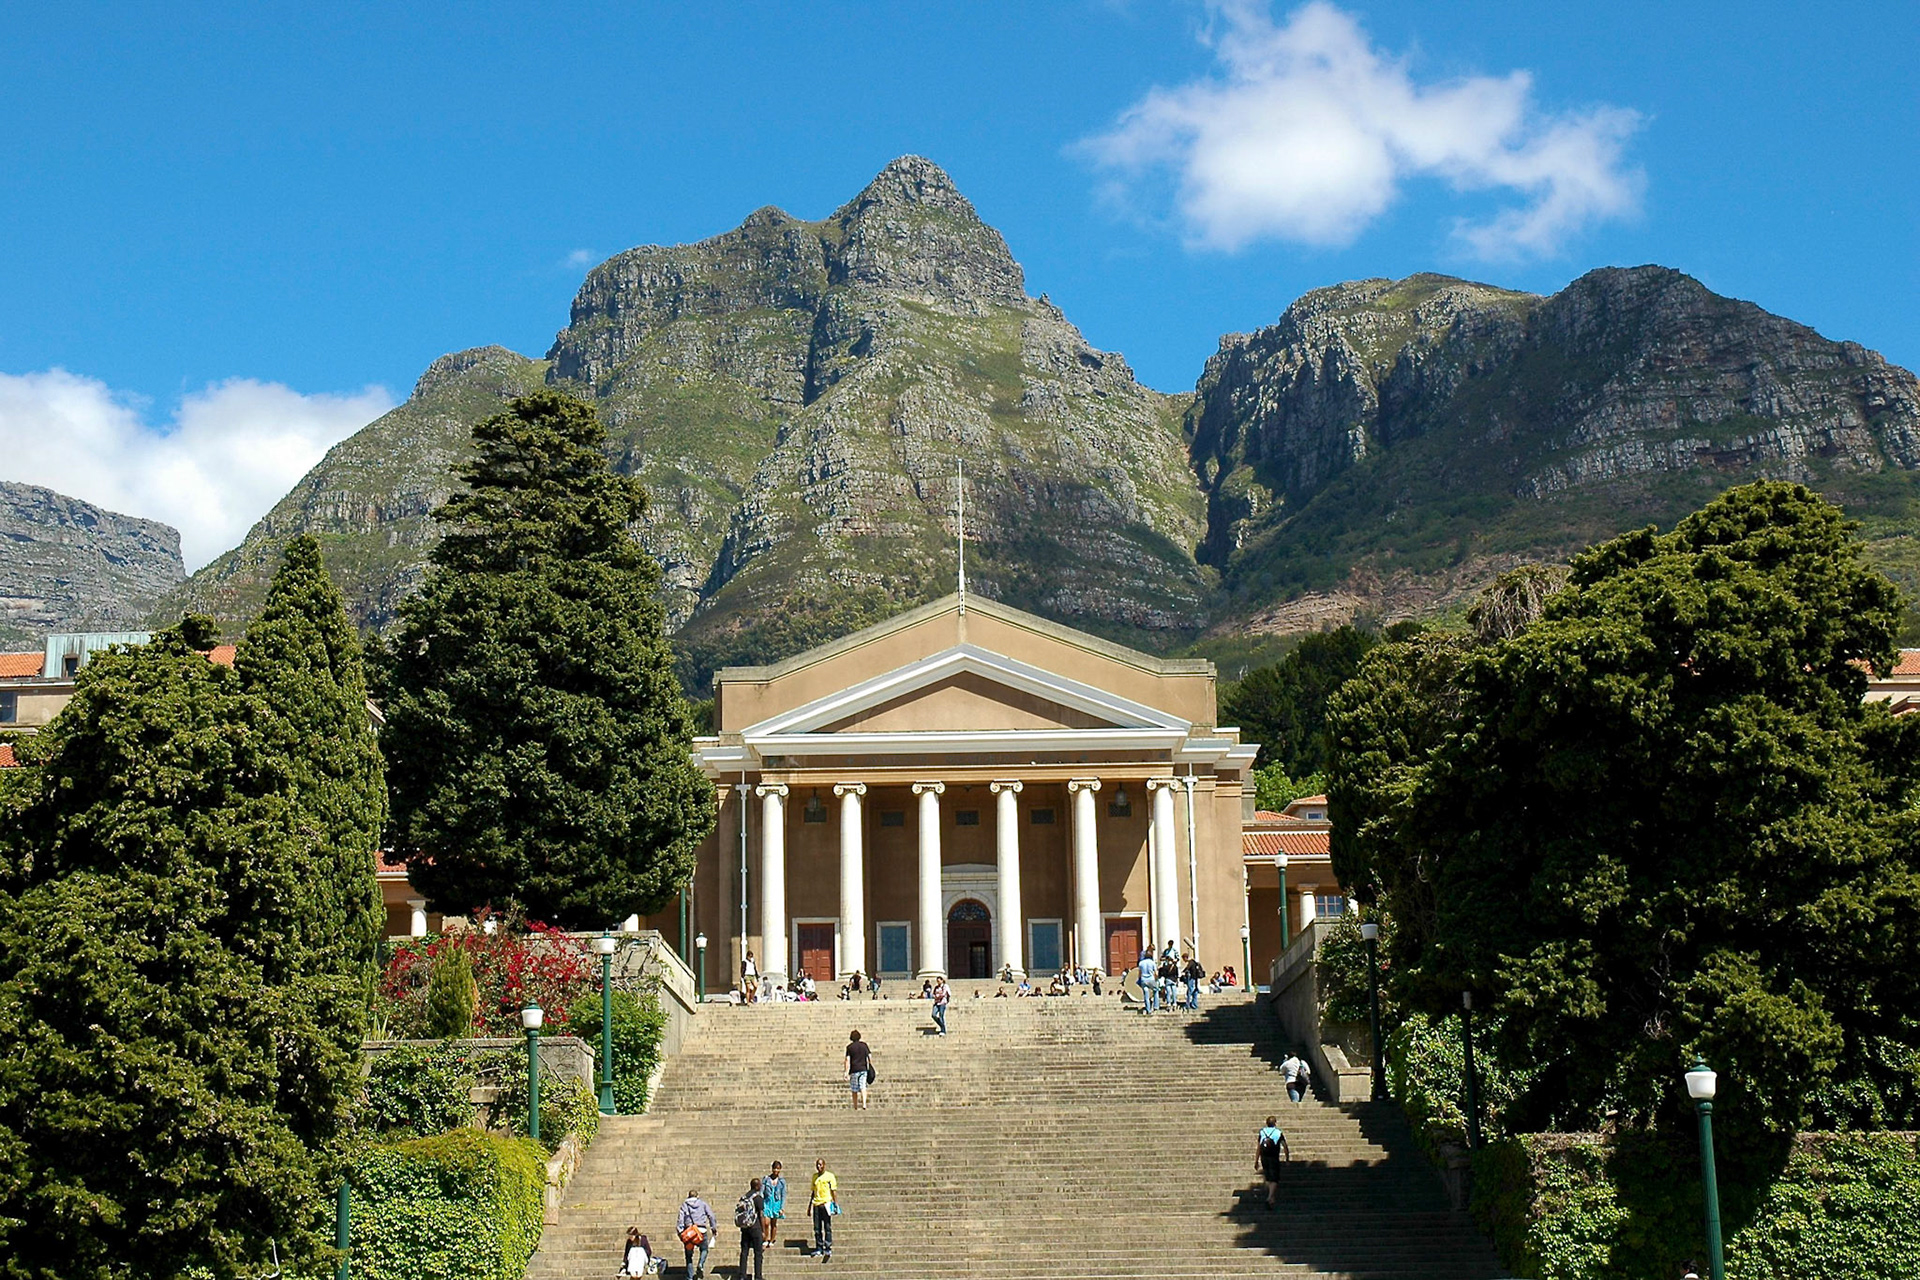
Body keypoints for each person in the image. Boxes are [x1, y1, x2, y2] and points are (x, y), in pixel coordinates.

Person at [677, 1190, 716, 1278]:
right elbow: (711, 1216)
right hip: (701, 1230)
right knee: (704, 1249)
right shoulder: (703, 1204)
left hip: (689, 1232)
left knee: (689, 1255)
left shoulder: (684, 1205)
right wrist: (713, 1227)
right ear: (697, 1196)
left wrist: (680, 1232)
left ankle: (690, 1276)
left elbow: (680, 1219)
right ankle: (701, 1264)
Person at [735, 1177, 766, 1280]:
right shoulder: (758, 1198)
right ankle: (758, 1276)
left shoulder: (744, 1197)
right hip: (755, 1227)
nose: (761, 1186)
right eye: (760, 1185)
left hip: (745, 1228)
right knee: (758, 1253)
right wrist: (764, 1230)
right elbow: (761, 1215)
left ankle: (742, 1275)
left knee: (744, 1252)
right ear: (757, 1186)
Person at [1256, 1116, 1290, 1208]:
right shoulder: (1278, 1133)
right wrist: (1287, 1158)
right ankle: (1269, 1197)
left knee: (1268, 1177)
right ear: (1275, 1123)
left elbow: (1259, 1147)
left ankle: (1272, 1198)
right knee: (1274, 1178)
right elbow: (1285, 1146)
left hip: (1264, 1157)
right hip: (1274, 1157)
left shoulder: (1262, 1132)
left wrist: (1256, 1160)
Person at [810, 1157, 839, 1260]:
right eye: (817, 1165)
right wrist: (809, 1207)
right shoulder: (815, 1177)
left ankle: (827, 1247)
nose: (819, 1166)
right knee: (817, 1228)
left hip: (826, 1203)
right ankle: (819, 1247)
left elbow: (833, 1190)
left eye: (821, 1164)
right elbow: (813, 1192)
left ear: (824, 1165)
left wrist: (835, 1204)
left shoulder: (830, 1176)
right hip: (816, 1204)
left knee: (827, 1227)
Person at [846, 1029, 872, 1109]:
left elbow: (847, 1060)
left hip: (854, 1070)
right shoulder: (864, 1045)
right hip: (863, 1069)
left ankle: (855, 1105)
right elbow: (869, 1056)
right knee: (863, 1086)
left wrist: (846, 1072)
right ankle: (864, 1103)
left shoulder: (849, 1047)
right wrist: (870, 1065)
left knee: (854, 1089)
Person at [762, 1161, 787, 1245]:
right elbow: (762, 1191)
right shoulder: (766, 1179)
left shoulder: (782, 1181)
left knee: (774, 1223)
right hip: (767, 1202)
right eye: (775, 1168)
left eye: (778, 1168)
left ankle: (772, 1240)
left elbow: (783, 1194)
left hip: (776, 1203)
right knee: (766, 1223)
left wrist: (782, 1207)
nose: (776, 1170)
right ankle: (765, 1239)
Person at [1137, 949, 1158, 1014]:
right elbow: (1156, 973)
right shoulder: (1152, 963)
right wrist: (1156, 979)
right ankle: (1156, 1006)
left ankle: (1148, 1009)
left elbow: (1139, 973)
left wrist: (1139, 979)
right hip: (1151, 979)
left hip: (1144, 980)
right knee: (1156, 990)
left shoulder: (1141, 963)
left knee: (1146, 995)